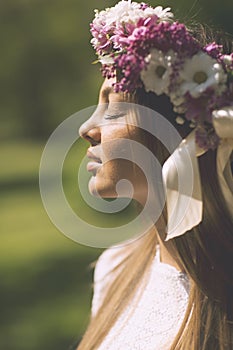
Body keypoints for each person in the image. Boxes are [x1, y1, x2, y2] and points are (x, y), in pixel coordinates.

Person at [77, 1, 233, 349]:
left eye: (114, 111)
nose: (87, 128)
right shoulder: (115, 268)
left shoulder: (223, 297)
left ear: (175, 133)